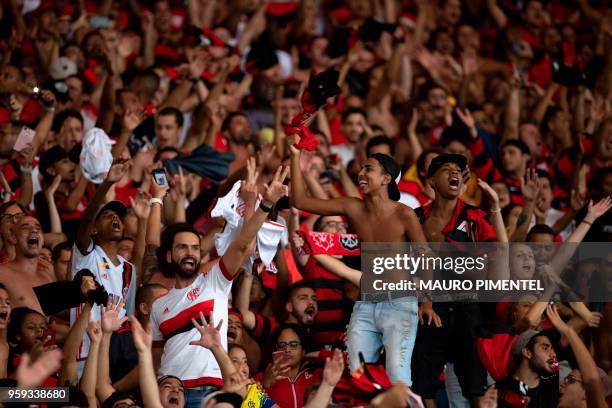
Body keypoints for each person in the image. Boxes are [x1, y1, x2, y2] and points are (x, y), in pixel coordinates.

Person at [290, 137, 427, 386]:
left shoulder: (404, 214)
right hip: (366, 302)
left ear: (386, 179)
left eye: (368, 169)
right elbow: (299, 202)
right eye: (362, 168)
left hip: (400, 302)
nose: (361, 173)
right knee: (356, 373)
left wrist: (427, 302)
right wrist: (294, 158)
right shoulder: (352, 207)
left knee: (398, 377)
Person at [150, 165, 289, 408]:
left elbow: (242, 247)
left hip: (214, 392)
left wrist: (264, 205)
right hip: (172, 396)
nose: (191, 253)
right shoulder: (158, 304)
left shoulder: (214, 281)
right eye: (182, 247)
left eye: (195, 247)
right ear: (169, 256)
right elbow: (154, 357)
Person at [411, 153, 498, 407]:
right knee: (422, 389)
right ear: (431, 181)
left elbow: (487, 267)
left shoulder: (476, 217)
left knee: (476, 388)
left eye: (458, 170)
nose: (454, 173)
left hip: (468, 309)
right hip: (428, 310)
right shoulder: (415, 219)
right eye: (447, 169)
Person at [70, 160, 137, 365]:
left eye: (118, 216)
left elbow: (129, 314)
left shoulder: (129, 269)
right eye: (107, 216)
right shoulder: (87, 254)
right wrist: (107, 183)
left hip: (116, 356)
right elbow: (87, 218)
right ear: (94, 229)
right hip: (85, 352)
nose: (115, 219)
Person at [0, 216, 54, 314]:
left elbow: (63, 315)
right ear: (13, 237)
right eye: (25, 227)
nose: (34, 230)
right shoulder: (2, 273)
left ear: (42, 240)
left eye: (38, 228)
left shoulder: (48, 276)